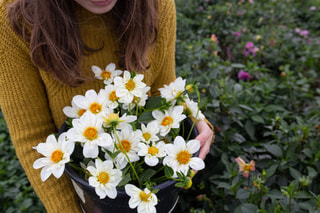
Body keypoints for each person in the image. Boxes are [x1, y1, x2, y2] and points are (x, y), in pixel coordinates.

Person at [0, 0, 214, 212]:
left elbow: (160, 87)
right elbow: (33, 137)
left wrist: (194, 118)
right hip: (86, 193)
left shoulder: (158, 5)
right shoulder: (12, 19)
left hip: (149, 185)